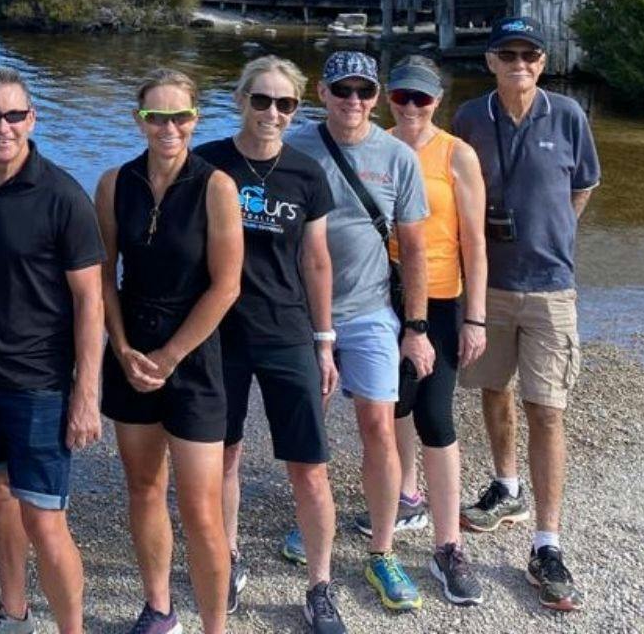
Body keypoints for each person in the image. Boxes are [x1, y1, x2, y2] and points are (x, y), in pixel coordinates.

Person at [0, 67, 105, 634]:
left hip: (40, 385)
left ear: (32, 119)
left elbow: (90, 303)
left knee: (45, 519)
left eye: (13, 115)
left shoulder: (63, 195)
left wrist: (87, 392)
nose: (2, 127)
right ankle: (13, 612)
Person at [452, 17, 600, 612]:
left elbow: (582, 185)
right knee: (493, 392)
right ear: (490, 61)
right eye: (507, 52)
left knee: (548, 410)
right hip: (487, 286)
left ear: (542, 61)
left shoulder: (567, 115)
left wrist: (556, 235)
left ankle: (547, 542)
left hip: (549, 288)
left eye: (529, 53)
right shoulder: (467, 119)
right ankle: (505, 487)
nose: (519, 61)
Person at [197, 56, 347, 634]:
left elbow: (316, 260)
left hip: (286, 330)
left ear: (296, 109)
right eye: (262, 101)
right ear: (241, 101)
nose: (273, 113)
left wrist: (324, 340)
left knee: (309, 467)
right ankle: (228, 560)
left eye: (285, 104)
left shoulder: (307, 173)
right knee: (225, 455)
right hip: (221, 334)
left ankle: (320, 585)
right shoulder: (208, 163)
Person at [283, 51, 432, 614]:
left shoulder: (397, 157)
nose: (353, 102)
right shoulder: (295, 147)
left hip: (370, 310)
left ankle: (382, 548)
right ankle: (311, 523)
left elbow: (413, 249)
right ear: (321, 92)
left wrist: (415, 327)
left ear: (376, 96)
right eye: (341, 90)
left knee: (379, 425)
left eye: (364, 91)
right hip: (301, 313)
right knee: (309, 425)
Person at [97, 70, 241, 634]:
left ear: (195, 119)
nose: (168, 128)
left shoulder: (216, 186)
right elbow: (104, 273)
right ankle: (159, 608)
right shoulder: (114, 183)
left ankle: (214, 626)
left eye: (179, 116)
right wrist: (123, 345)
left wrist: (173, 355)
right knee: (143, 486)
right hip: (132, 348)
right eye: (155, 116)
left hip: (195, 355)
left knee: (202, 510)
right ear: (139, 119)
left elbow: (226, 286)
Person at [379, 56, 489, 607]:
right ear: (387, 98)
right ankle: (404, 497)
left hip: (443, 299)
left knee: (435, 413)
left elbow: (476, 241)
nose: (411, 108)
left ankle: (448, 545)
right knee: (393, 405)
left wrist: (476, 315)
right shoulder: (375, 147)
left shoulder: (457, 154)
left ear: (437, 101)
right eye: (402, 96)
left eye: (421, 98)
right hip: (383, 297)